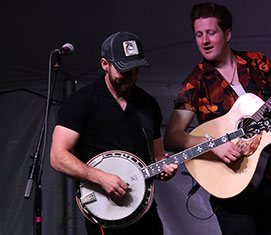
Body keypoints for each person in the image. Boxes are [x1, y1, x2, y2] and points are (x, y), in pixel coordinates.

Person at [164, 2, 271, 235]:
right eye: (198, 34)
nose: (204, 40)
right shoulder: (195, 82)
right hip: (231, 185)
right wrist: (214, 146)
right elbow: (173, 138)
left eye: (211, 33)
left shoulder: (258, 63)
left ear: (227, 34)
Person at [50, 31, 178, 235]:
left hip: (144, 213)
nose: (130, 75)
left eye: (135, 69)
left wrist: (164, 169)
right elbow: (58, 157)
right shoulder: (81, 102)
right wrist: (101, 177)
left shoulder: (148, 104)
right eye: (123, 69)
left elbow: (157, 157)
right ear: (104, 64)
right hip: (106, 216)